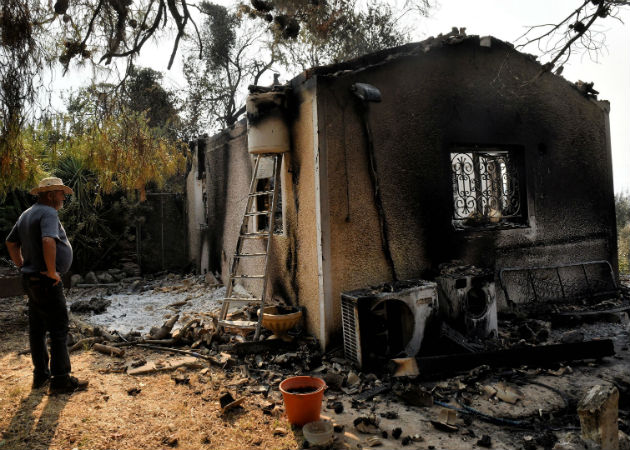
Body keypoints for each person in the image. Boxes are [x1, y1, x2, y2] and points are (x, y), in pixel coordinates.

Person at [5, 177, 88, 394]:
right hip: (46, 280)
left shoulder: (26, 213)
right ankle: (60, 380)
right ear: (51, 195)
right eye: (61, 193)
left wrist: (22, 264)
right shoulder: (48, 212)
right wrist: (52, 271)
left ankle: (40, 375)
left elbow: (11, 242)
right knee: (59, 329)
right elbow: (48, 240)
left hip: (31, 279)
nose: (63, 197)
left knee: (37, 329)